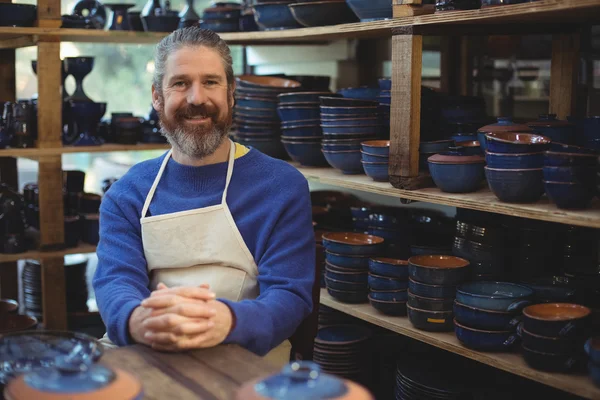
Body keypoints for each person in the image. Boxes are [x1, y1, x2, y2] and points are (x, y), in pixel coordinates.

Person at [93, 27, 315, 365]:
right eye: (180, 83)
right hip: (149, 350)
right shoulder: (127, 194)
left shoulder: (281, 186)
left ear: (231, 93)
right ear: (157, 96)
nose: (197, 99)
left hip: (247, 356)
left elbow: (289, 296)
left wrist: (224, 321)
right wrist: (140, 321)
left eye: (210, 82)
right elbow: (115, 282)